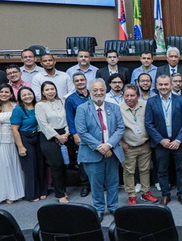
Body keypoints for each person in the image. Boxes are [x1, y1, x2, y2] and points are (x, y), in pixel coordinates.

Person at [75, 79, 125, 220]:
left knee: (113, 182)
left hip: (112, 151)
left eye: (101, 90)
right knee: (96, 184)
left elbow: (120, 128)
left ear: (105, 90)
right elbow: (82, 132)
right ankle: (98, 209)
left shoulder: (114, 107)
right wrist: (99, 147)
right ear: (90, 91)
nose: (98, 93)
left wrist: (108, 145)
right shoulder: (82, 108)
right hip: (92, 153)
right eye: (95, 90)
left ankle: (113, 207)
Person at [145, 74, 182, 206]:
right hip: (161, 144)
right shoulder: (151, 102)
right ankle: (165, 195)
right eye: (161, 84)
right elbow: (149, 124)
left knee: (181, 169)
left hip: (179, 142)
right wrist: (161, 140)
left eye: (166, 84)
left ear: (171, 85)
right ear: (157, 86)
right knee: (162, 171)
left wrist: (178, 140)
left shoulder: (180, 100)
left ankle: (181, 194)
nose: (163, 87)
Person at [119, 84, 159, 205]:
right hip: (128, 146)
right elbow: (114, 128)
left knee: (145, 169)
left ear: (138, 96)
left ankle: (145, 192)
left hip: (145, 144)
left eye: (132, 95)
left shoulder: (145, 105)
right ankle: (131, 195)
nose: (129, 98)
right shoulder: (118, 108)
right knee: (129, 171)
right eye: (126, 96)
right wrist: (121, 143)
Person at [35, 81, 70, 203]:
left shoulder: (62, 102)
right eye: (47, 90)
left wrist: (66, 133)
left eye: (52, 89)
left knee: (64, 164)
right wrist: (57, 136)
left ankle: (63, 189)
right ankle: (60, 194)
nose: (50, 91)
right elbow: (43, 124)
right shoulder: (40, 105)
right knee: (56, 165)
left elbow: (68, 119)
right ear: (43, 92)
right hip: (48, 136)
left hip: (64, 135)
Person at [11, 87, 47, 201]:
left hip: (38, 136)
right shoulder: (18, 110)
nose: (27, 96)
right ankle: (32, 194)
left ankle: (43, 190)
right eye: (24, 95)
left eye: (29, 94)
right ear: (20, 98)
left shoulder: (38, 107)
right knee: (30, 167)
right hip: (25, 138)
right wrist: (20, 146)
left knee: (41, 164)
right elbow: (14, 129)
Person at [64, 73, 92, 197]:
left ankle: (98, 184)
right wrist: (75, 134)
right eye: (77, 81)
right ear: (74, 83)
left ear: (86, 81)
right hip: (81, 134)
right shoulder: (70, 99)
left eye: (82, 80)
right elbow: (70, 119)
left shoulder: (94, 94)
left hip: (96, 132)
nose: (80, 82)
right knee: (83, 161)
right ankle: (85, 185)